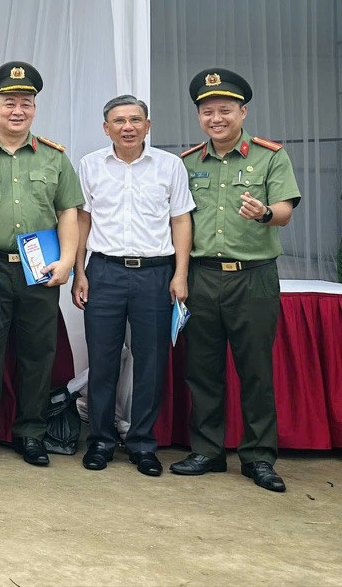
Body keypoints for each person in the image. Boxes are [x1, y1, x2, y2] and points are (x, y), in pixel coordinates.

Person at [169, 69, 300, 493]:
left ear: (242, 112)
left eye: (225, 110)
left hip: (253, 278)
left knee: (255, 370)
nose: (216, 118)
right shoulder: (187, 162)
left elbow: (285, 211)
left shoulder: (270, 156)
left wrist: (265, 213)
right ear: (199, 117)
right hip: (203, 277)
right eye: (208, 112)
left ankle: (259, 457)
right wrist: (180, 275)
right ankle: (207, 451)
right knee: (202, 369)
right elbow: (180, 220)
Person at [0, 62, 83, 467]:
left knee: (37, 354)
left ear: (34, 108)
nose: (18, 110)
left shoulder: (54, 157)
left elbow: (68, 212)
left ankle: (31, 433)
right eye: (9, 102)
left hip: (41, 270)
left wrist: (67, 262)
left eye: (26, 103)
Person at [72, 95, 194, 478]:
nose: (128, 127)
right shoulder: (90, 165)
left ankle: (142, 443)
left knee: (151, 362)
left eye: (136, 119)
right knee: (103, 360)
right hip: (104, 272)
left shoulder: (170, 166)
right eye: (119, 120)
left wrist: (180, 274)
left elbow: (181, 220)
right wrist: (79, 272)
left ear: (148, 125)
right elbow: (82, 221)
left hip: (155, 274)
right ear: (106, 127)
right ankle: (101, 441)